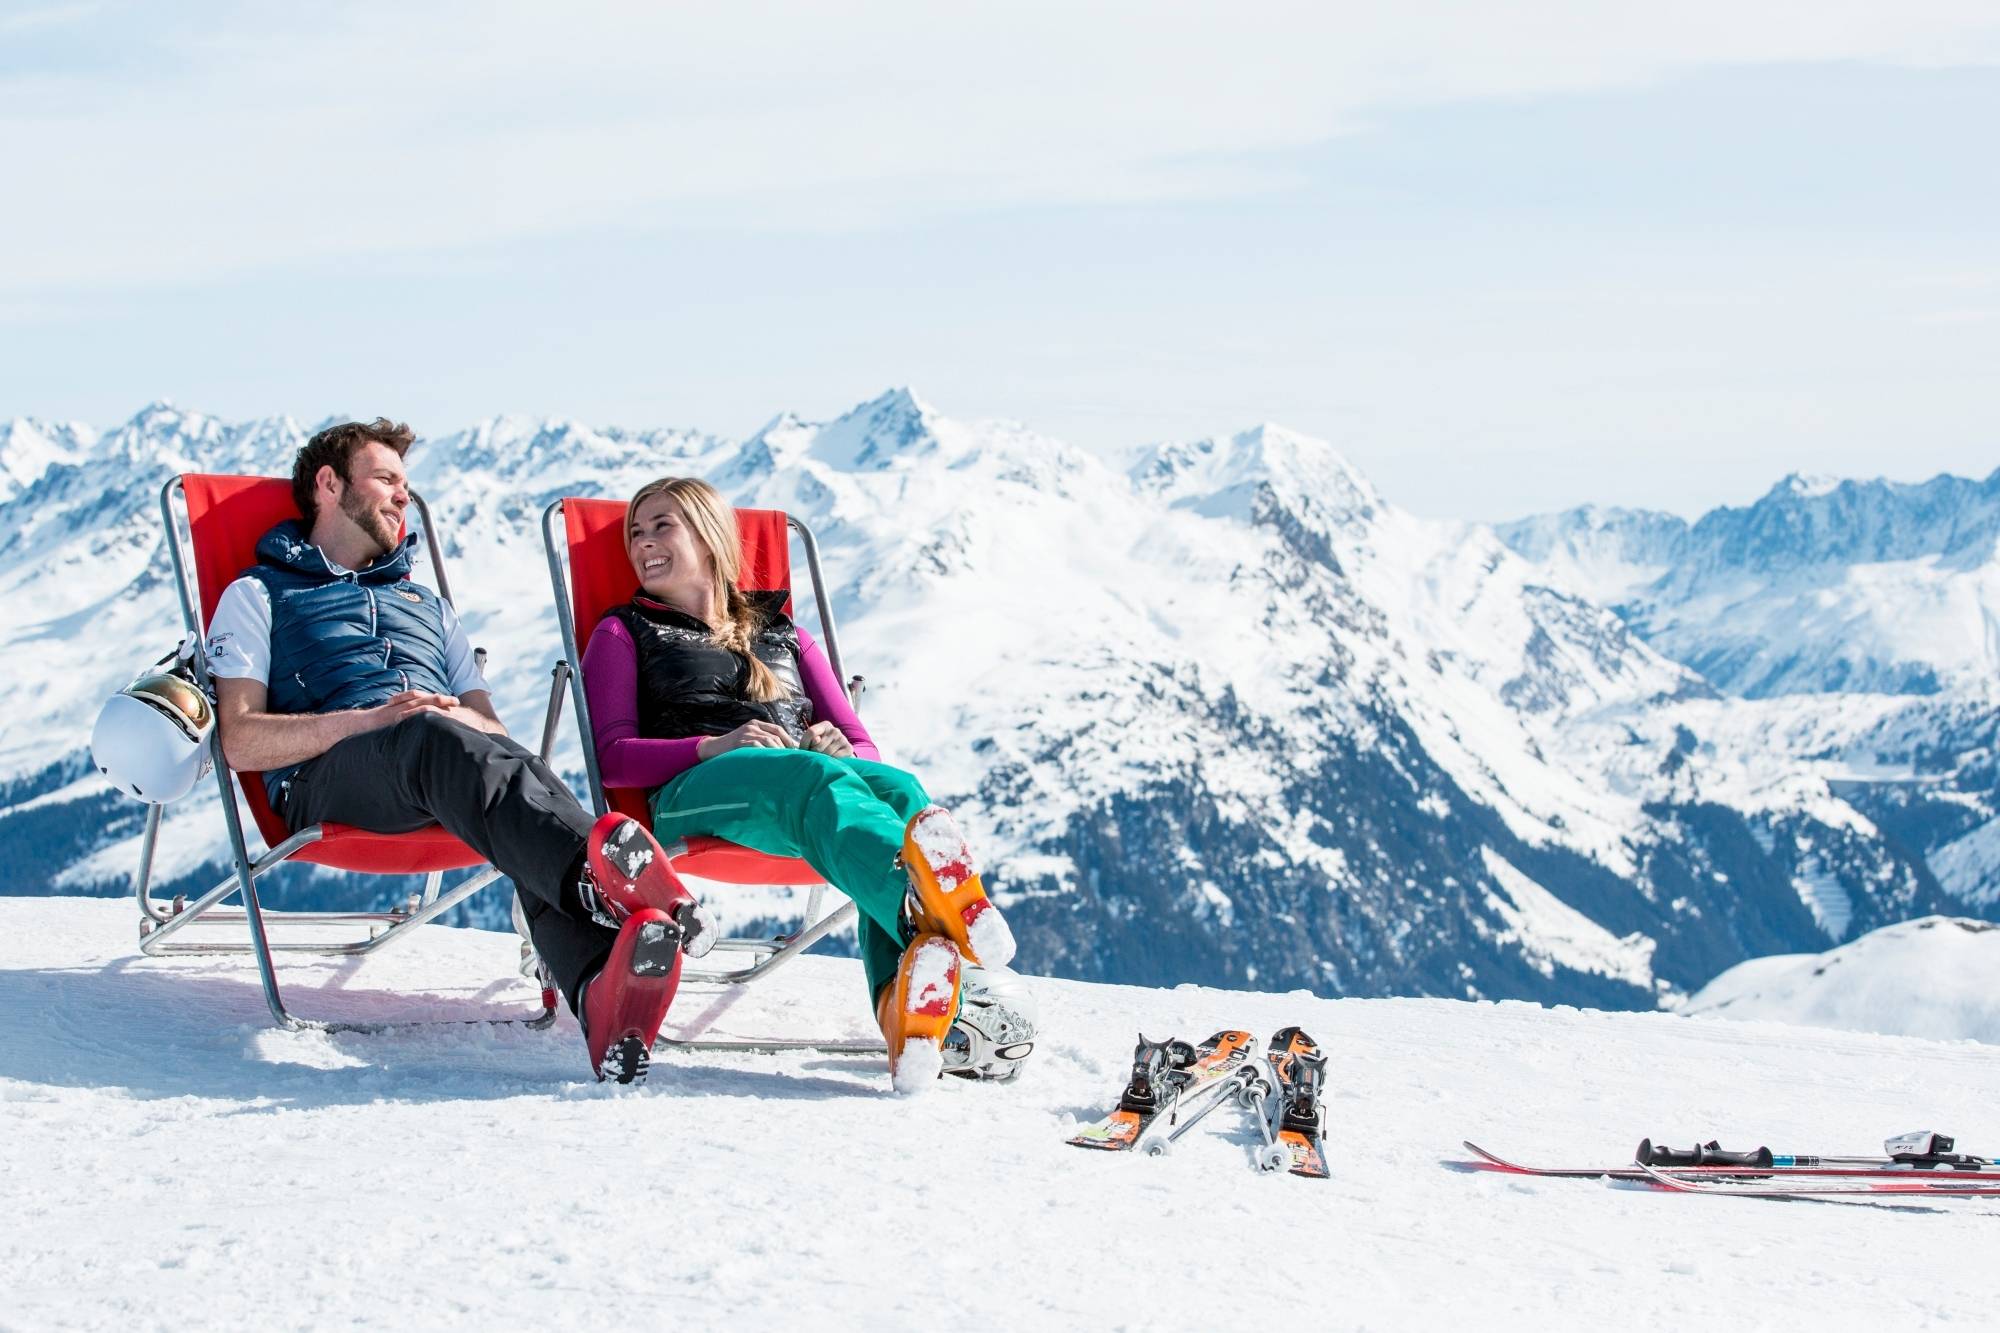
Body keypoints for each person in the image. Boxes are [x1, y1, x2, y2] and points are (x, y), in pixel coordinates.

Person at [204, 418, 713, 1085]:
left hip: (442, 768)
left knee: (503, 764)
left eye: (406, 486)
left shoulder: (430, 606)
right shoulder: (258, 595)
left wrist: (457, 717)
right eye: (386, 479)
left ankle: (596, 988)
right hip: (325, 777)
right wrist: (363, 722)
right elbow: (239, 738)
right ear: (328, 485)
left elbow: (492, 730)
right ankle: (600, 876)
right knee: (436, 740)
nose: (401, 498)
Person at [580, 476, 1036, 1093]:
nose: (643, 543)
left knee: (899, 790)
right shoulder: (624, 629)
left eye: (663, 525)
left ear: (710, 536)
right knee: (813, 775)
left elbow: (862, 745)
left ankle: (900, 1007)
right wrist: (712, 745)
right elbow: (613, 759)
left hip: (799, 790)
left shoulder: (784, 634)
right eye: (636, 531)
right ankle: (930, 915)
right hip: (693, 793)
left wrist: (841, 745)